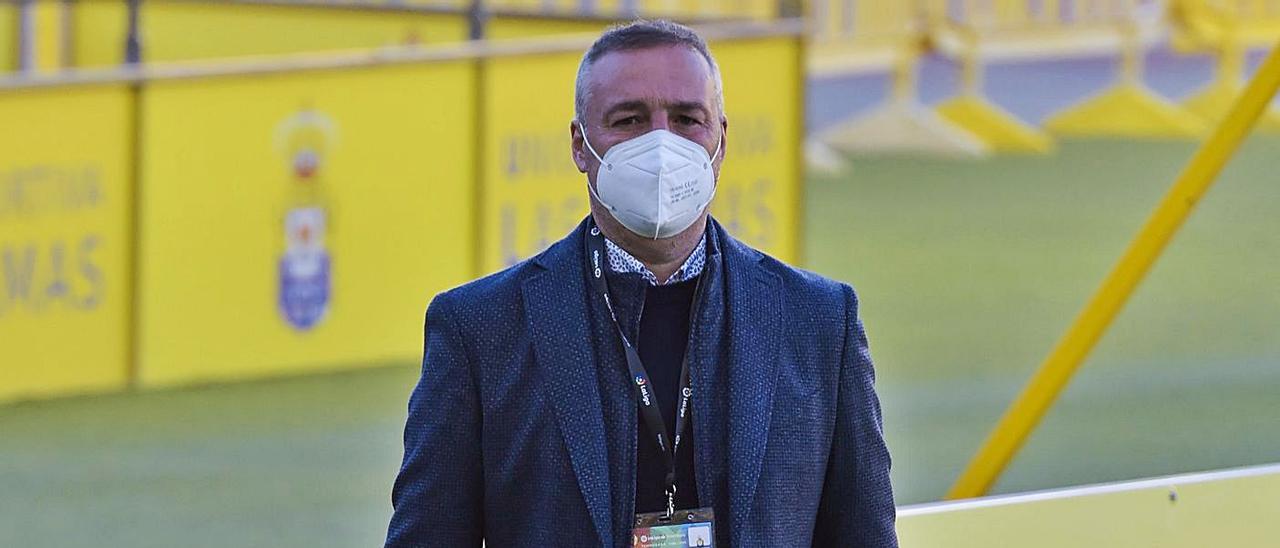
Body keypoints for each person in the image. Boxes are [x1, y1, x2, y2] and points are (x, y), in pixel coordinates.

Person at [385, 20, 896, 548]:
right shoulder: (480, 329)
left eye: (686, 119)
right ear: (580, 147)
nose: (660, 143)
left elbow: (864, 534)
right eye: (628, 120)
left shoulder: (818, 320)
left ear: (721, 141)